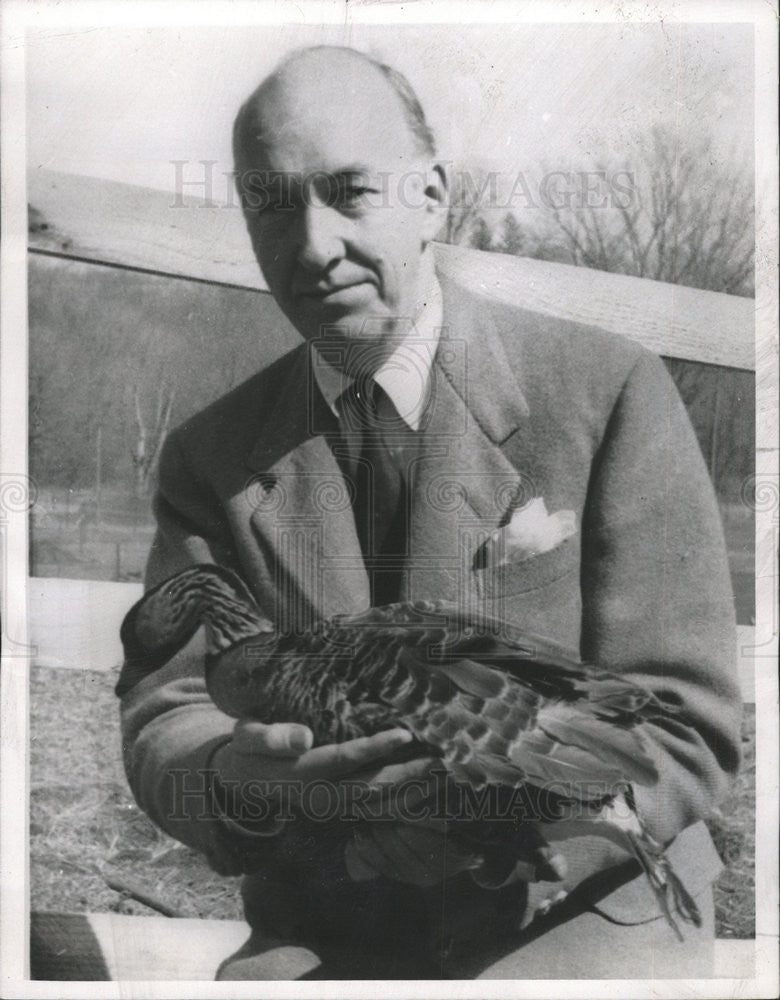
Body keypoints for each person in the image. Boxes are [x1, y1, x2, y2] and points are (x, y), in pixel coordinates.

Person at [118, 45, 742, 980]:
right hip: (335, 927)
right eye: (273, 203)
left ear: (433, 197)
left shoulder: (606, 394)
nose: (314, 245)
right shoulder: (213, 456)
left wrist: (498, 838)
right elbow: (165, 709)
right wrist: (238, 785)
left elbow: (684, 724)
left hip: (581, 910)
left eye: (351, 191)